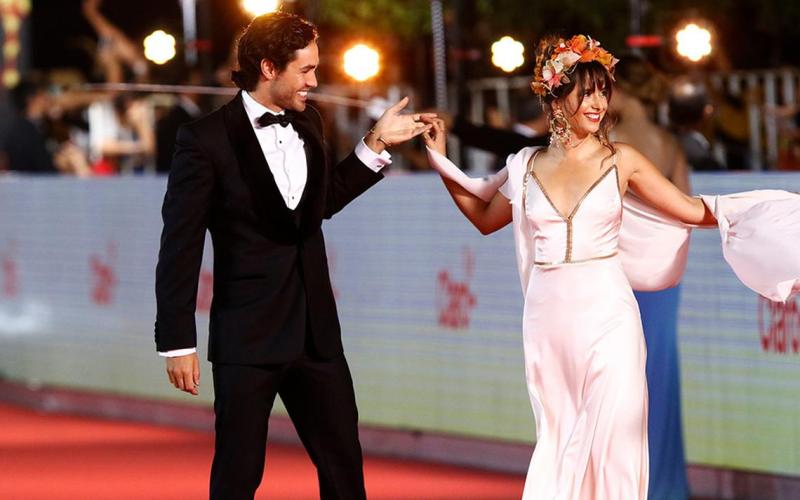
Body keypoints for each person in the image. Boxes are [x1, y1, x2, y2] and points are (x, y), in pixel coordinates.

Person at [422, 34, 720, 499]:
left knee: (615, 440)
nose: (598, 103)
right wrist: (439, 158)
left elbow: (691, 209)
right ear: (556, 97)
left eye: (604, 91)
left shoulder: (623, 160)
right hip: (548, 322)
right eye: (587, 92)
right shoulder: (525, 165)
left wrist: (753, 215)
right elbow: (482, 219)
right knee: (560, 439)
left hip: (610, 315)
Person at [154, 12, 432, 500]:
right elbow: (181, 243)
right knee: (239, 476)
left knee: (344, 471)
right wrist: (177, 341)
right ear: (268, 67)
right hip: (248, 337)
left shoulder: (309, 121)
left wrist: (376, 142)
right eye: (305, 70)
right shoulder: (205, 140)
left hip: (315, 334)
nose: (315, 81)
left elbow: (320, 204)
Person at [610, 54, 691, 500]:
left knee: (616, 385)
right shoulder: (668, 144)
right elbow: (686, 213)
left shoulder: (609, 145)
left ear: (620, 91)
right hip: (662, 279)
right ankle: (663, 487)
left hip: (617, 274)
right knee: (658, 378)